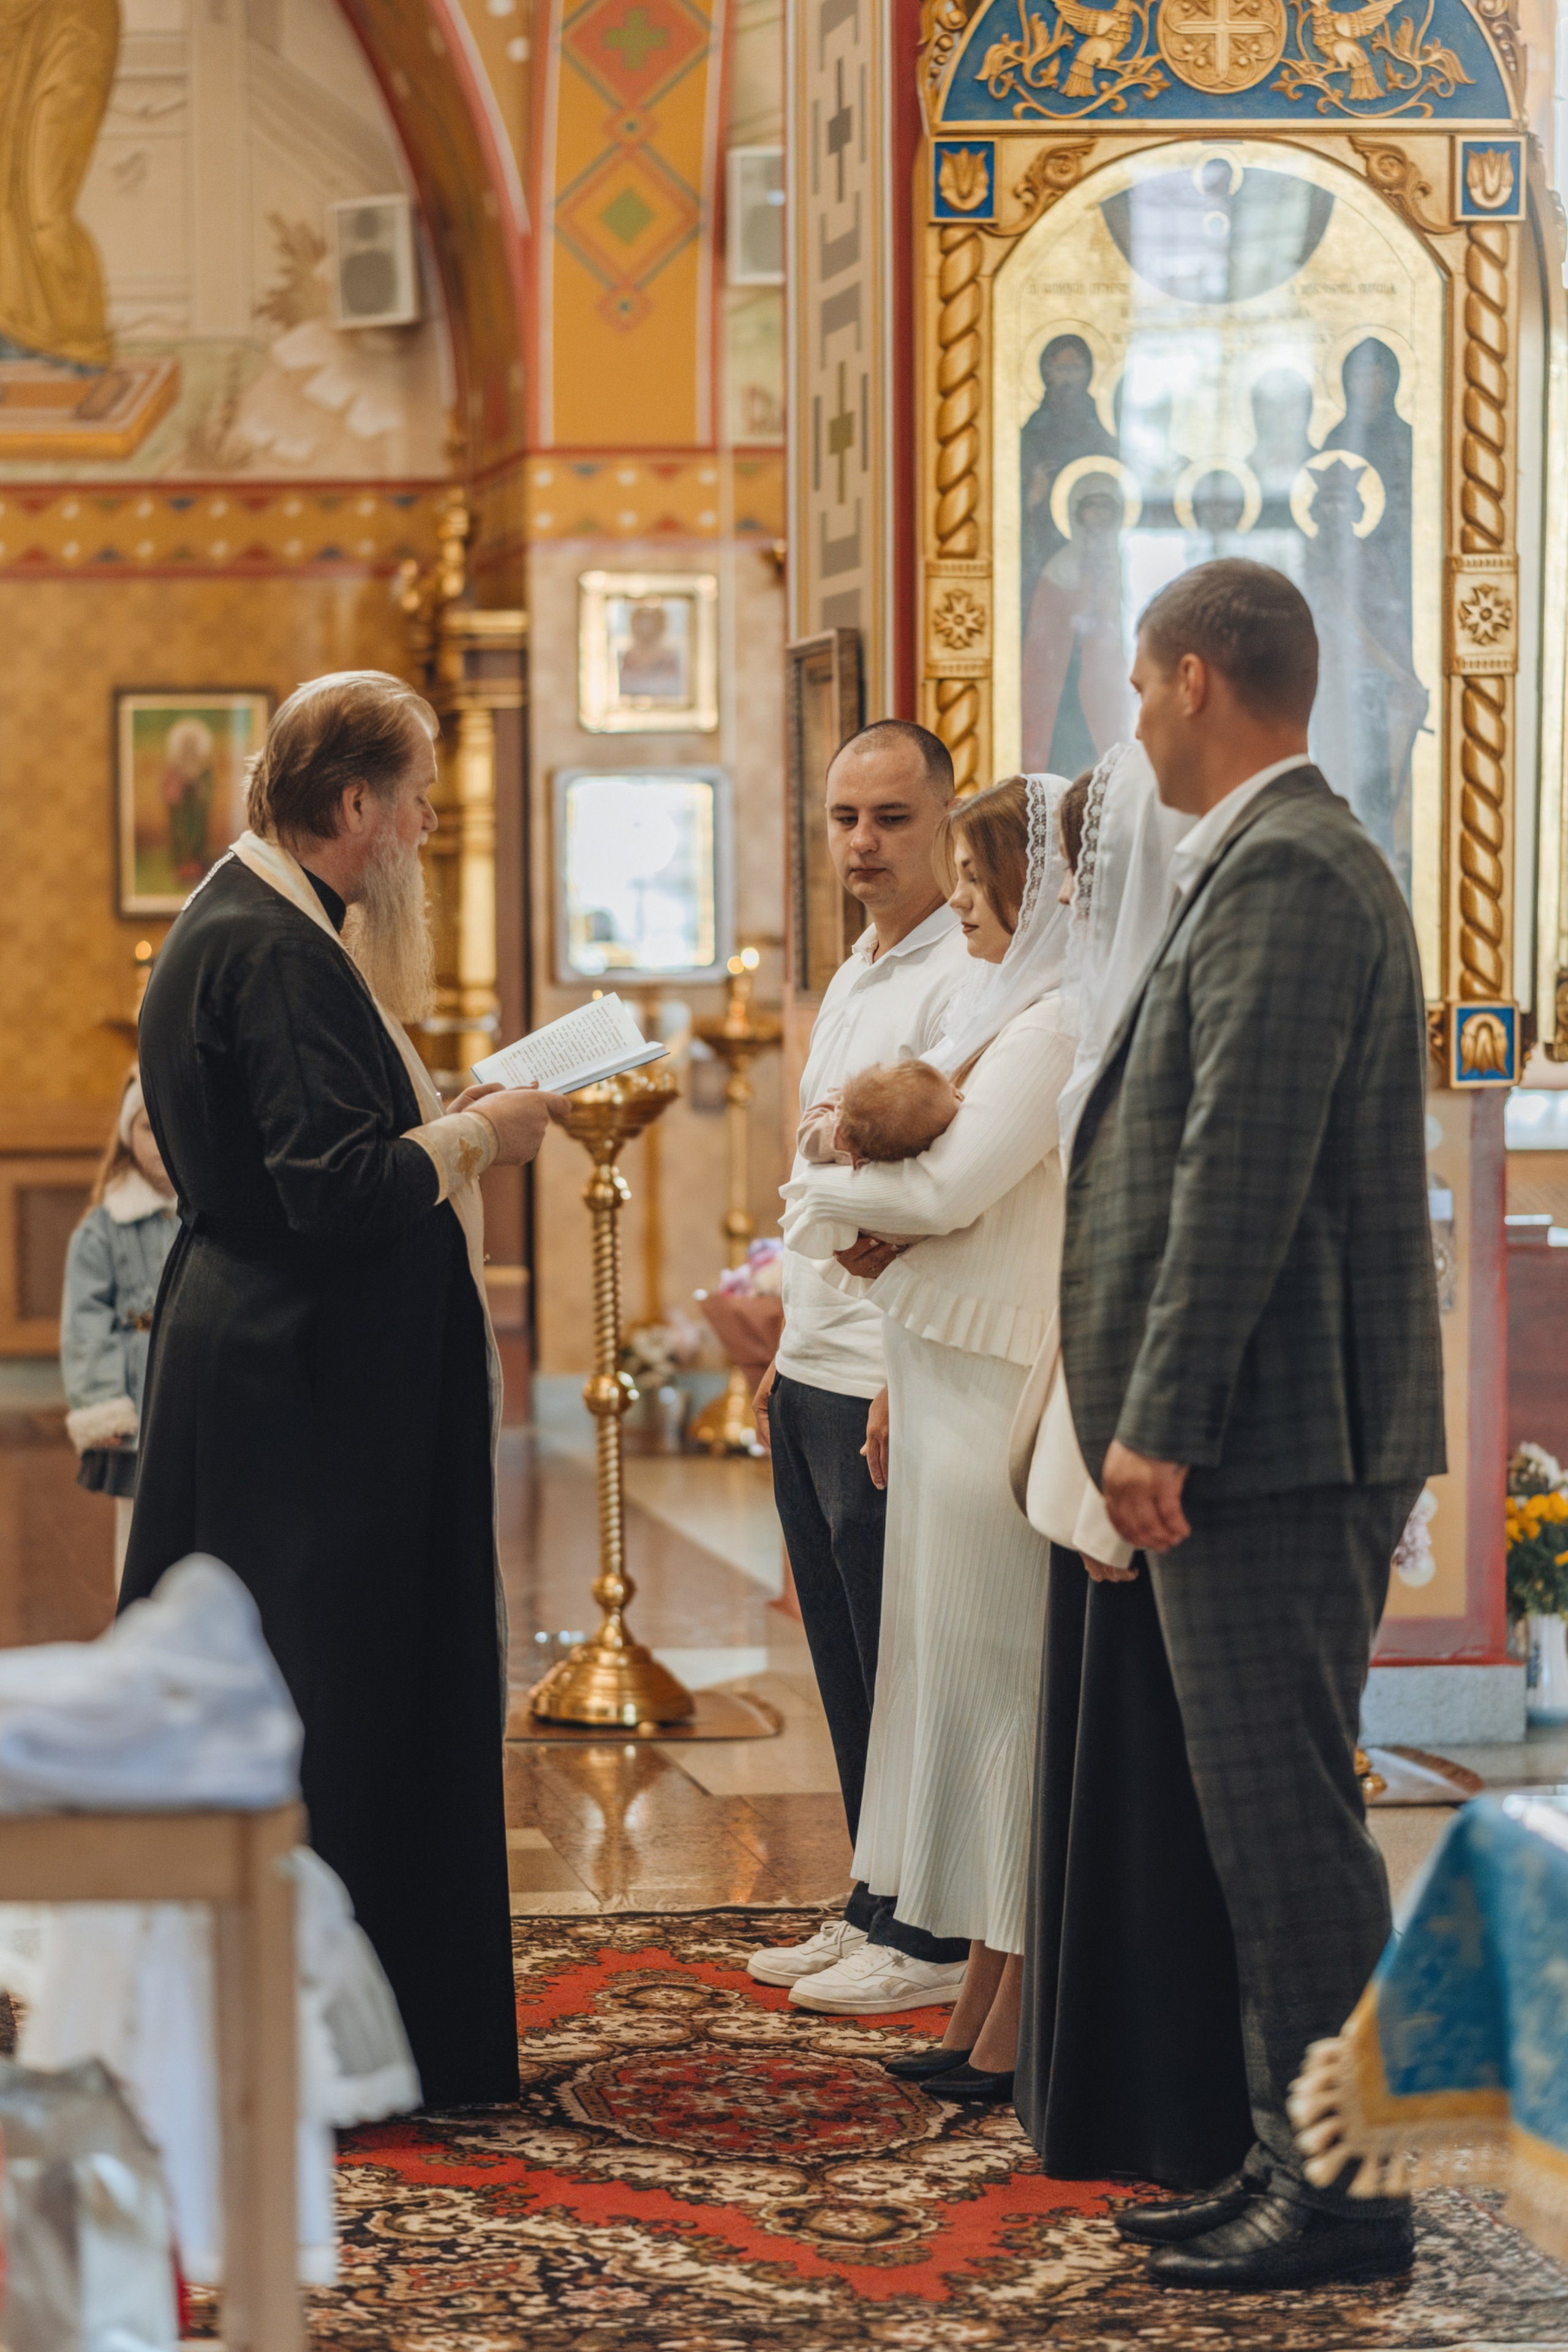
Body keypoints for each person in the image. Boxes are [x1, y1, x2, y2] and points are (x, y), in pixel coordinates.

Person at [1060, 560, 1444, 2287]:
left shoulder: (1289, 868)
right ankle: (1287, 2155)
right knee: (1259, 1820)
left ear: (1197, 680)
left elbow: (1240, 1173)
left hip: (1276, 1437)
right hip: (1270, 1429)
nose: (1133, 719)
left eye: (1140, 684)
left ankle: (1345, 2194)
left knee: (1286, 1825)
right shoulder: (1270, 858)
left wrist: (1160, 1419)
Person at [121, 670, 567, 2109]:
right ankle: (328, 2045)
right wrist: (481, 1138)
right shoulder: (276, 948)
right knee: (330, 1697)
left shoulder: (255, 918)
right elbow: (330, 1190)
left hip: (282, 1368)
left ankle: (297, 2031)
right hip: (305, 1393)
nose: (429, 824)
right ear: (356, 800)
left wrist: (440, 1120)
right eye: (419, 797)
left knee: (308, 1690)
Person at [780, 774, 1085, 2092]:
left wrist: (818, 1185)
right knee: (947, 1688)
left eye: (974, 879)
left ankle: (1008, 2022)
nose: (958, 902)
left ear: (1039, 891)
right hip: (941, 1375)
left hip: (994, 1382)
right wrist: (850, 1189)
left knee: (997, 1697)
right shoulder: (1000, 1008)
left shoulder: (1053, 1023)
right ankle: (976, 2002)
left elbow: (948, 1188)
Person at [1011, 742, 1254, 2191]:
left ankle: (1178, 2113)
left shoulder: (1170, 1008)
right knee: (1104, 1765)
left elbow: (1180, 1245)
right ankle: (1100, 2097)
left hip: (1139, 1448)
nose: (1070, 895)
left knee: (1162, 1782)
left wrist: (1125, 1446)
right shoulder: (1109, 1007)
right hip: (1085, 1430)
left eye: (1086, 870)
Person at [748, 720, 971, 2013]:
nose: (864, 844)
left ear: (942, 821)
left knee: (902, 1657)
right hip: (811, 1357)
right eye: (845, 819)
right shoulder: (856, 969)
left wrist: (898, 1373)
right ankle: (871, 1898)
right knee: (839, 1648)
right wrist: (784, 1351)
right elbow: (820, 1169)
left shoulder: (958, 976)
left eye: (891, 818)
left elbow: (929, 1194)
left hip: (887, 1366)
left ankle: (932, 1929)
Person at [61, 1066, 178, 1585]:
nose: (160, 1142)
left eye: (171, 1125)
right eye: (148, 1128)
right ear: (128, 1134)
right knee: (137, 1531)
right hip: (137, 1398)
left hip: (190, 1391)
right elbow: (85, 1322)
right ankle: (137, 1613)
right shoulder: (104, 1228)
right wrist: (102, 1400)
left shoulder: (210, 1215)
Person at [796, 1059, 962, 1167]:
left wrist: (844, 1098)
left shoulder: (833, 1136)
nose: (956, 1092)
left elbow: (804, 1138)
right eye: (952, 1091)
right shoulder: (831, 1136)